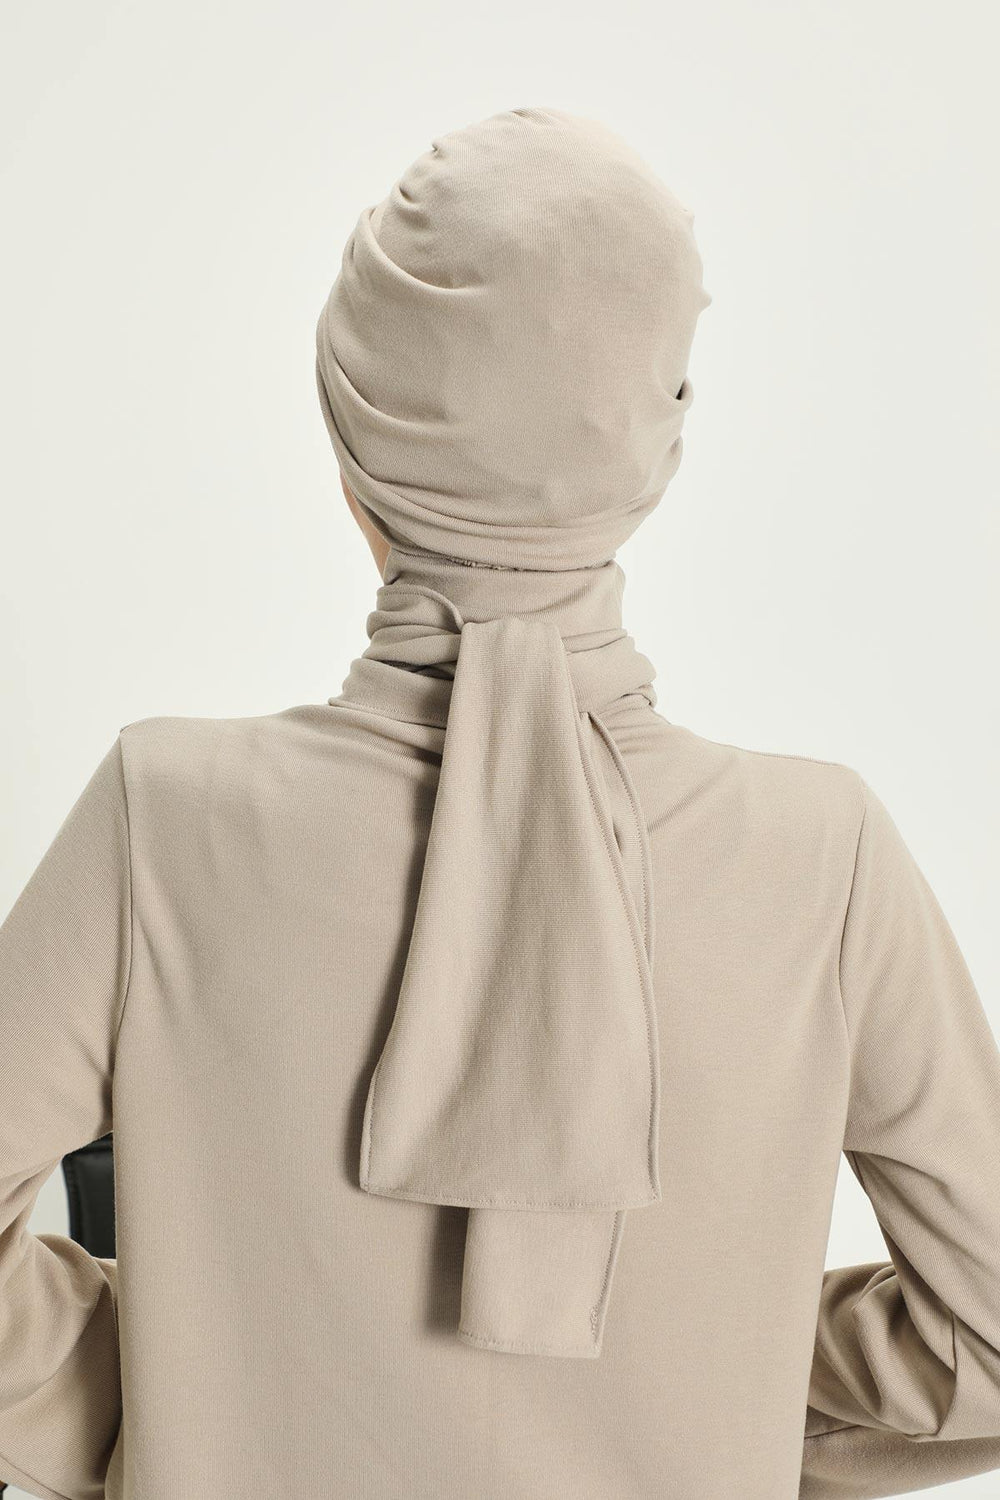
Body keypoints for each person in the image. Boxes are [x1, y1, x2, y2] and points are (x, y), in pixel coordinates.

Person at [1, 104, 998, 1500]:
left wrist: (186, 1395)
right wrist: (732, 1383)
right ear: (657, 452)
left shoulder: (161, 820)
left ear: (352, 456)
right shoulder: (823, 859)